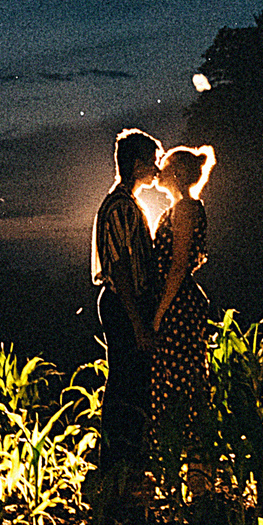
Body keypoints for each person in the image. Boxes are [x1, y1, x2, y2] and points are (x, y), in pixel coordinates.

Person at [91, 128, 162, 496]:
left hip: (124, 303)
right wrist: (139, 324)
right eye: (152, 161)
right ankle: (119, 466)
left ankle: (123, 465)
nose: (157, 169)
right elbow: (119, 268)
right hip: (123, 304)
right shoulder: (120, 207)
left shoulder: (125, 204)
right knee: (125, 382)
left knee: (127, 381)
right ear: (137, 164)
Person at [148, 143, 216, 471]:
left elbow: (177, 267)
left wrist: (159, 313)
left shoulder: (186, 209)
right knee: (173, 382)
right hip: (176, 303)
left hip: (179, 306)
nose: (157, 167)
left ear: (175, 172)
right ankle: (179, 470)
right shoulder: (178, 207)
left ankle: (198, 474)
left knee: (182, 384)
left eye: (164, 162)